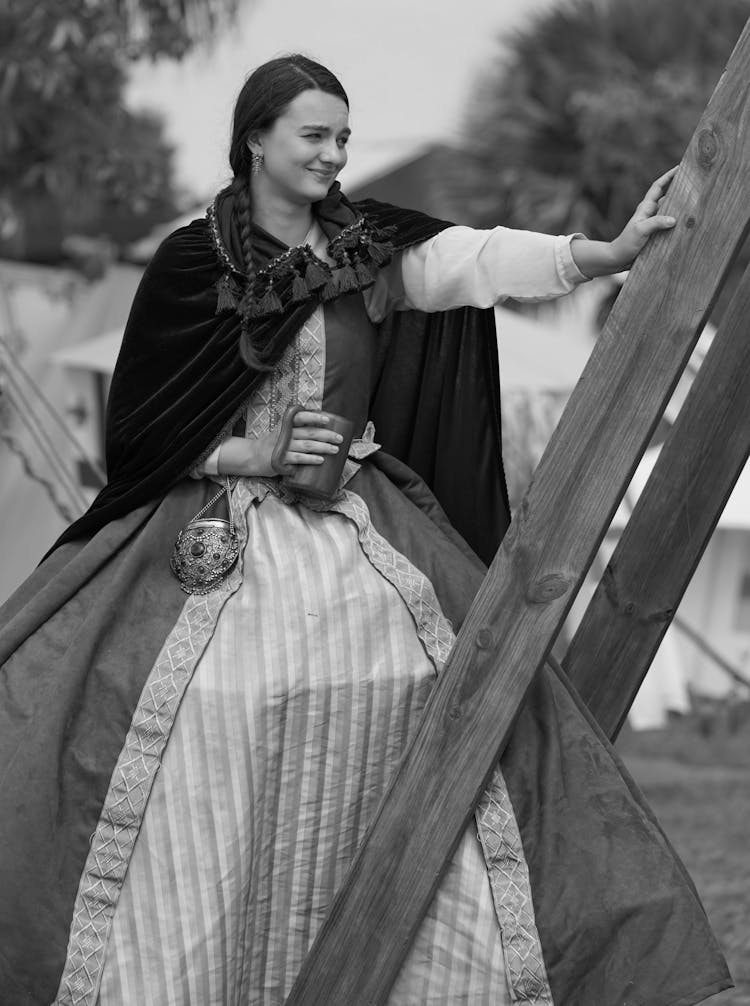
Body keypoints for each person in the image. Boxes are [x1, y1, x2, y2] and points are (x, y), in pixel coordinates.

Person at [0, 55, 731, 1006]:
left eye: (343, 136)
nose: (334, 154)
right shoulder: (191, 261)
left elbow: (472, 260)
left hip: (356, 532)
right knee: (207, 725)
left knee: (435, 704)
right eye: (314, 135)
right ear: (256, 138)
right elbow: (140, 433)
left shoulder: (365, 249)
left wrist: (607, 251)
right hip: (215, 532)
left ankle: (394, 969)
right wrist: (251, 456)